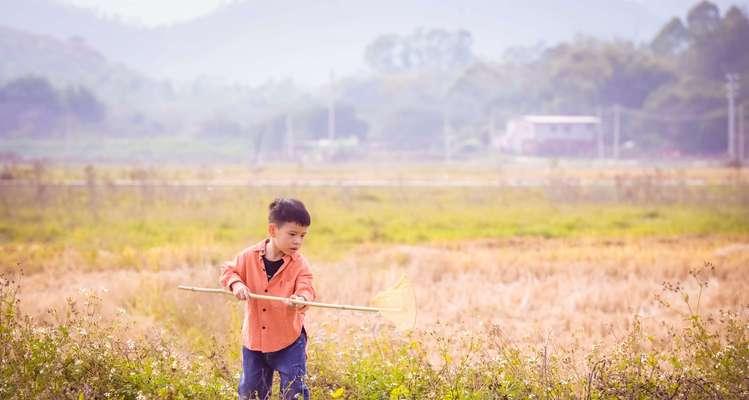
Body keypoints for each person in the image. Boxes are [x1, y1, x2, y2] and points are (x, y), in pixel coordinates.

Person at [220, 198, 316, 400]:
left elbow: (307, 288)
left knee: (294, 391)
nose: (298, 241)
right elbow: (228, 270)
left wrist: (301, 298)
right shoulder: (248, 256)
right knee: (251, 392)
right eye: (292, 234)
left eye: (302, 236)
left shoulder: (300, 264)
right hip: (254, 342)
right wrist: (237, 284)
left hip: (289, 341)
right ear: (273, 230)